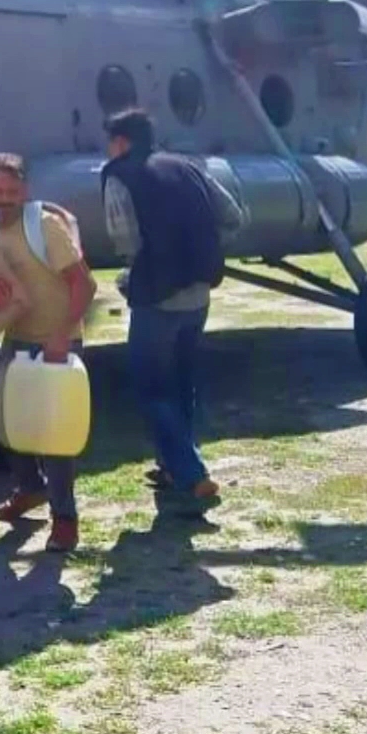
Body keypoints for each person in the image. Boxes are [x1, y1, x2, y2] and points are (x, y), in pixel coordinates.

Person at [100, 108, 247, 507]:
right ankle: (172, 464)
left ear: (121, 141)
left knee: (151, 389)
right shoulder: (189, 167)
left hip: (156, 298)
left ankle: (192, 473)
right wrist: (198, 254)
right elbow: (234, 216)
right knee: (184, 383)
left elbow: (125, 239)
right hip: (199, 295)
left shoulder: (119, 174)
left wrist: (137, 274)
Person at [0, 154, 98, 552]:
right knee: (7, 424)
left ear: (25, 191)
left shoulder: (44, 226)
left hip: (57, 342)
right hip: (16, 339)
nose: (4, 199)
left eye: (12, 192)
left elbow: (85, 285)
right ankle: (30, 489)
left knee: (55, 438)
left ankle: (65, 519)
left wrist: (63, 334)